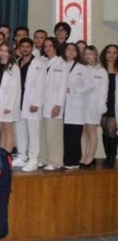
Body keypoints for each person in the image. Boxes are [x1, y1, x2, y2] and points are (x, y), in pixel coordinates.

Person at [15, 38, 47, 171]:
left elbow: (41, 84)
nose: (25, 49)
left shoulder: (39, 64)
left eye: (27, 46)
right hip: (19, 102)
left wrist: (36, 102)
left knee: (33, 133)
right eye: (22, 46)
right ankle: (22, 156)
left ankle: (34, 159)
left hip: (31, 102)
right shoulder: (16, 62)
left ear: (32, 47)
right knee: (20, 130)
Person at [41, 39, 71, 171]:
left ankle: (55, 161)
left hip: (54, 103)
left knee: (54, 134)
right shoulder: (43, 62)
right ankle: (43, 158)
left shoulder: (62, 64)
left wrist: (58, 105)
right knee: (43, 133)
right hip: (42, 102)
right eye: (45, 46)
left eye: (50, 46)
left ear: (56, 47)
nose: (48, 48)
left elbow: (63, 87)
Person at [79, 46, 108, 167]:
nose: (87, 56)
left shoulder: (101, 71)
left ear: (95, 55)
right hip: (81, 105)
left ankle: (91, 156)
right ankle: (83, 155)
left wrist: (100, 106)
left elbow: (103, 91)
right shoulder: (81, 69)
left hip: (94, 106)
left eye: (90, 54)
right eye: (85, 54)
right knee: (83, 131)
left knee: (91, 130)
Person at [0, 44, 21, 156]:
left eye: (6, 51)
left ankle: (7, 155)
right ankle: (1, 154)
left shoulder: (13, 67)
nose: (3, 53)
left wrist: (9, 105)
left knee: (8, 130)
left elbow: (15, 88)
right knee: (1, 130)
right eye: (1, 50)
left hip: (7, 104)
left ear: (10, 53)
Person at [102, 44, 118, 167]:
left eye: (114, 52)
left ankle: (112, 158)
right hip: (102, 104)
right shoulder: (99, 69)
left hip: (115, 104)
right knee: (105, 130)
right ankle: (108, 156)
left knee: (112, 130)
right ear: (105, 54)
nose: (111, 54)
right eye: (109, 52)